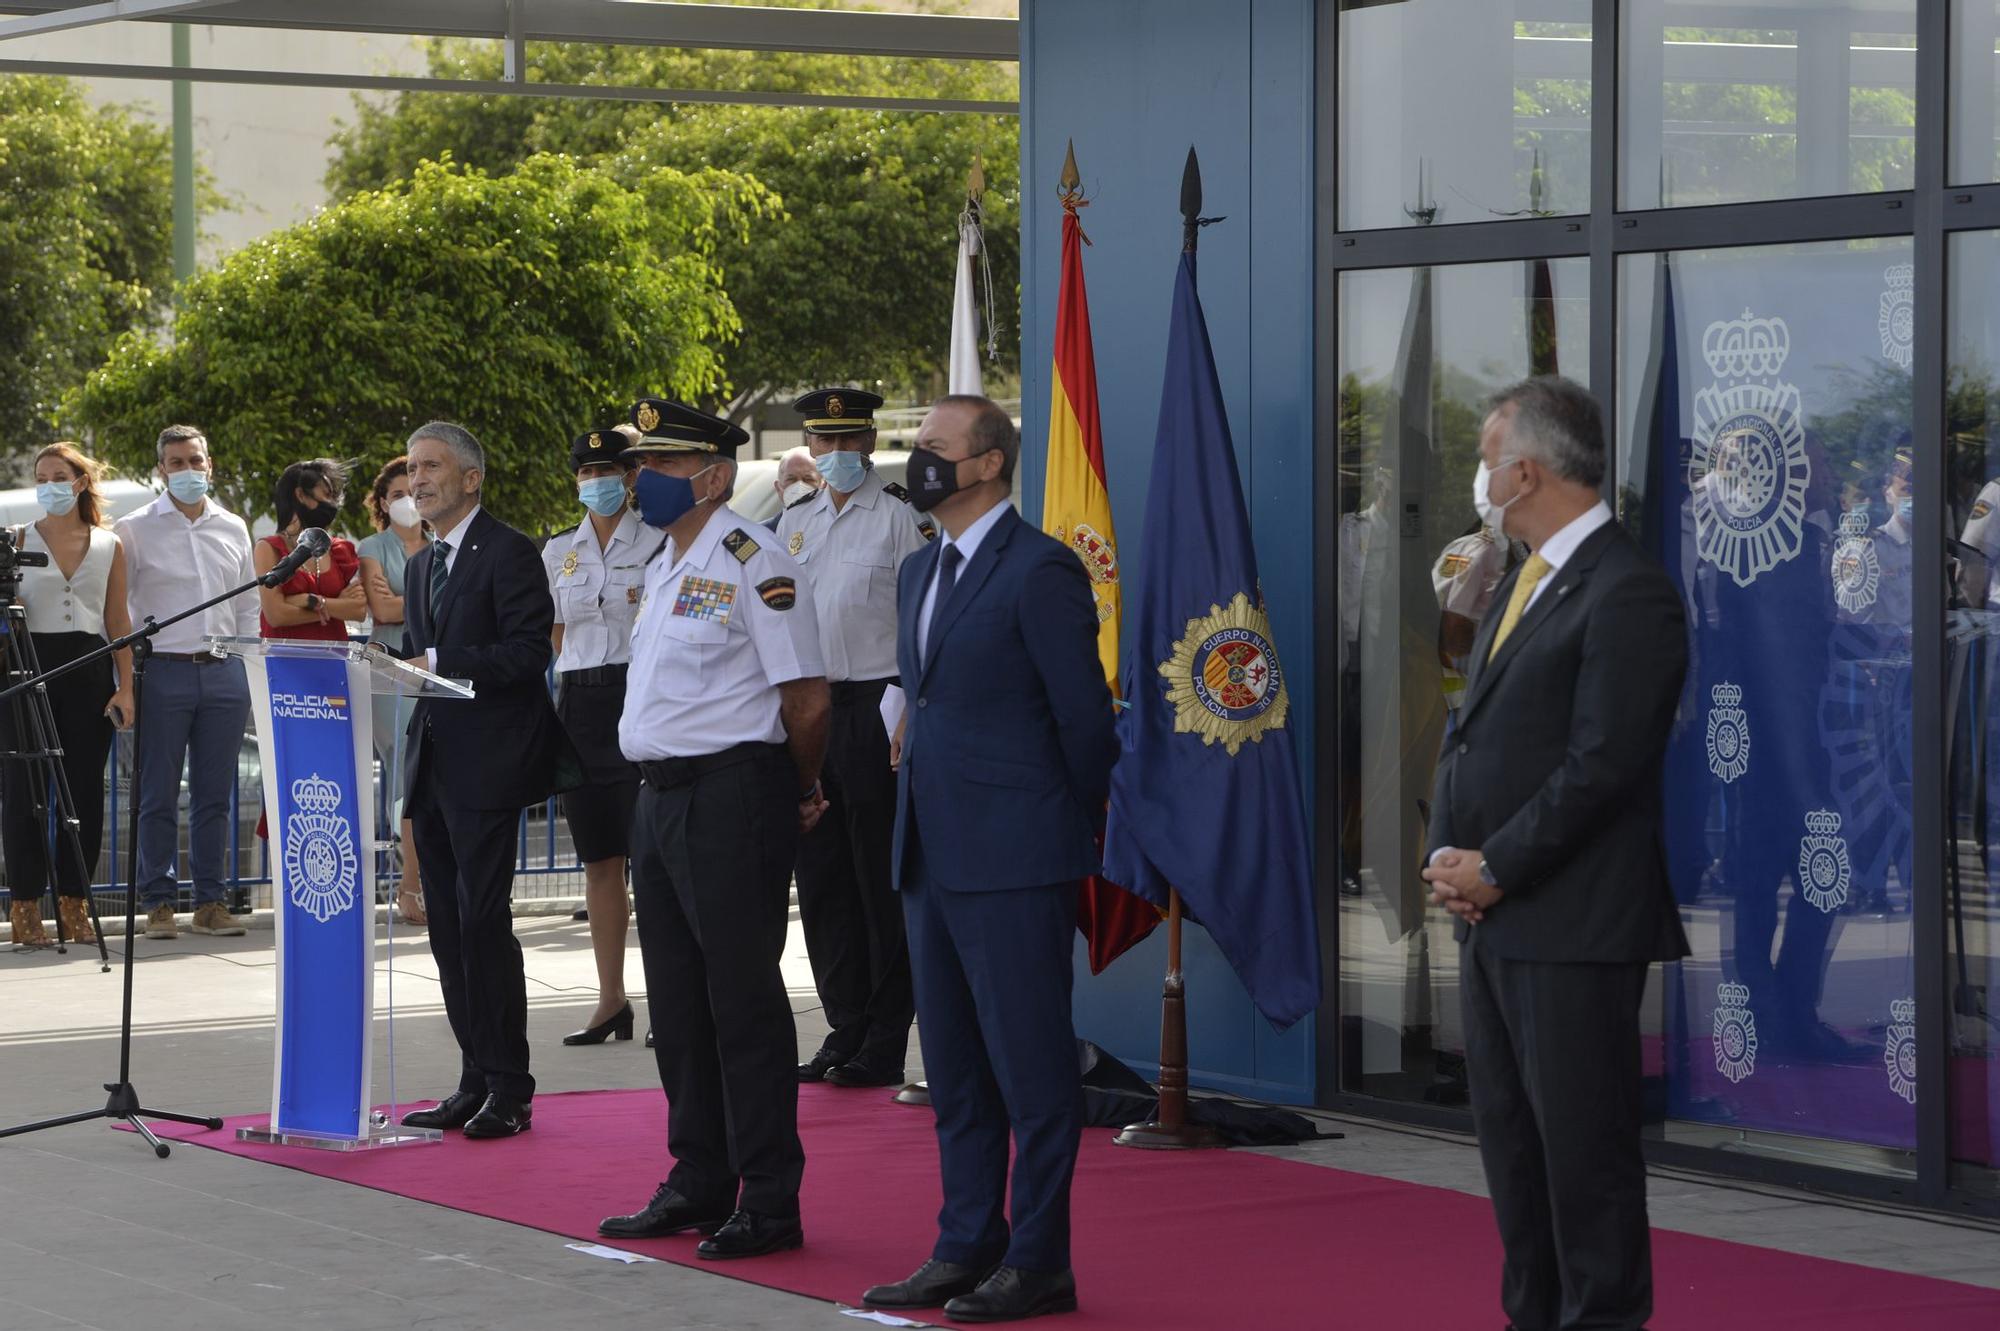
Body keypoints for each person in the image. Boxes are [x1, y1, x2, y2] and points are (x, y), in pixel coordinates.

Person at [1420, 376, 1689, 1331]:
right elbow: (1479, 735)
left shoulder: (1629, 589)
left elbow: (1604, 764)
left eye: (1488, 458)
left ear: (1527, 468)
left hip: (1573, 921)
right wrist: (1448, 853)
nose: (1481, 477)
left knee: (1585, 1160)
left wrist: (1497, 864)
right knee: (1515, 1154)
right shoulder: (1519, 573)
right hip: (1498, 918)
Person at [861, 395, 1115, 1324]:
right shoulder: (920, 566)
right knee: (956, 1071)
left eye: (934, 446)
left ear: (989, 465)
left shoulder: (1040, 568)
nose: (917, 458)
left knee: (1033, 1072)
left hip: (1015, 857)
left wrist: (1053, 820)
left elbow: (1085, 721)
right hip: (928, 854)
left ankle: (1041, 1259)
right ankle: (966, 1243)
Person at [597, 397, 830, 1262]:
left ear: (715, 475)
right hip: (659, 800)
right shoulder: (664, 561)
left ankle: (769, 1196)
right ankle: (699, 1175)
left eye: (660, 465)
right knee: (681, 1007)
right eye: (640, 465)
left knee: (742, 1003)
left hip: (733, 792)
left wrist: (795, 788)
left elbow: (805, 697)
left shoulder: (752, 557)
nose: (642, 480)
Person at [396, 421, 578, 1141]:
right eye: (412, 468)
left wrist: (443, 659)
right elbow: (420, 657)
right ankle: (472, 1076)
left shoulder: (509, 550)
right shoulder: (419, 564)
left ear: (471, 477)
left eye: (432, 466)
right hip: (433, 764)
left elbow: (531, 651)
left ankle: (510, 1086)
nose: (418, 480)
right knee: (447, 929)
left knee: (482, 922)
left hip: (490, 764)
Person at [777, 387, 930, 1089]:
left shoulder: (901, 518)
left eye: (849, 442)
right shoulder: (793, 521)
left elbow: (923, 623)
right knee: (824, 880)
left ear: (868, 443)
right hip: (810, 708)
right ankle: (843, 1026)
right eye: (824, 442)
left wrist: (907, 711)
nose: (837, 455)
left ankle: (884, 1035)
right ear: (810, 446)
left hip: (877, 705)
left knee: (878, 881)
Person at [114, 425, 258, 942]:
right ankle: (158, 903)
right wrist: (125, 680)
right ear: (161, 470)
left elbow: (247, 603)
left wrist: (245, 665)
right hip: (163, 671)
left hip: (224, 672)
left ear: (210, 464)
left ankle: (210, 903)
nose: (187, 471)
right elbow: (119, 611)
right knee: (156, 794)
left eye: (194, 461)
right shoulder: (134, 529)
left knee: (214, 795)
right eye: (176, 463)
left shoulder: (234, 526)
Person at [543, 424, 663, 1046]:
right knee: (599, 862)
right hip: (581, 708)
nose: (596, 483)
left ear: (632, 477)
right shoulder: (559, 550)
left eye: (607, 473)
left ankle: (669, 999)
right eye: (587, 475)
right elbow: (558, 634)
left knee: (656, 858)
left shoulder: (661, 542)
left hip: (641, 695)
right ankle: (611, 998)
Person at [1, 443, 135, 948]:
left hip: (89, 671)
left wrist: (127, 687)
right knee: (25, 791)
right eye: (42, 476)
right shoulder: (15, 539)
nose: (49, 484)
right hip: (27, 667)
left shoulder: (109, 543)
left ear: (80, 482)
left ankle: (75, 904)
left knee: (83, 793)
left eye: (59, 475)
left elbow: (116, 619)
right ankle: (25, 907)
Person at [357, 456, 431, 926]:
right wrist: (430, 601)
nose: (407, 500)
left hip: (439, 667)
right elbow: (381, 610)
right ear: (383, 503)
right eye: (397, 494)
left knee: (438, 772)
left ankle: (433, 878)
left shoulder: (442, 543)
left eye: (414, 490)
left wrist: (409, 603)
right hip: (389, 668)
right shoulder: (373, 546)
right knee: (405, 772)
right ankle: (409, 885)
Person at [254, 458, 366, 642]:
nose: (332, 503)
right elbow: (276, 616)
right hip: (287, 658)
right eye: (326, 494)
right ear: (301, 495)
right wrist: (336, 605)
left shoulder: (341, 550)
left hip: (334, 654)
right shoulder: (269, 548)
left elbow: (358, 610)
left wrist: (307, 600)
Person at [764, 447, 820, 531]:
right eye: (791, 479)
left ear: (823, 485)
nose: (799, 486)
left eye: (808, 479)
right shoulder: (763, 533)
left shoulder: (834, 530)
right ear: (778, 488)